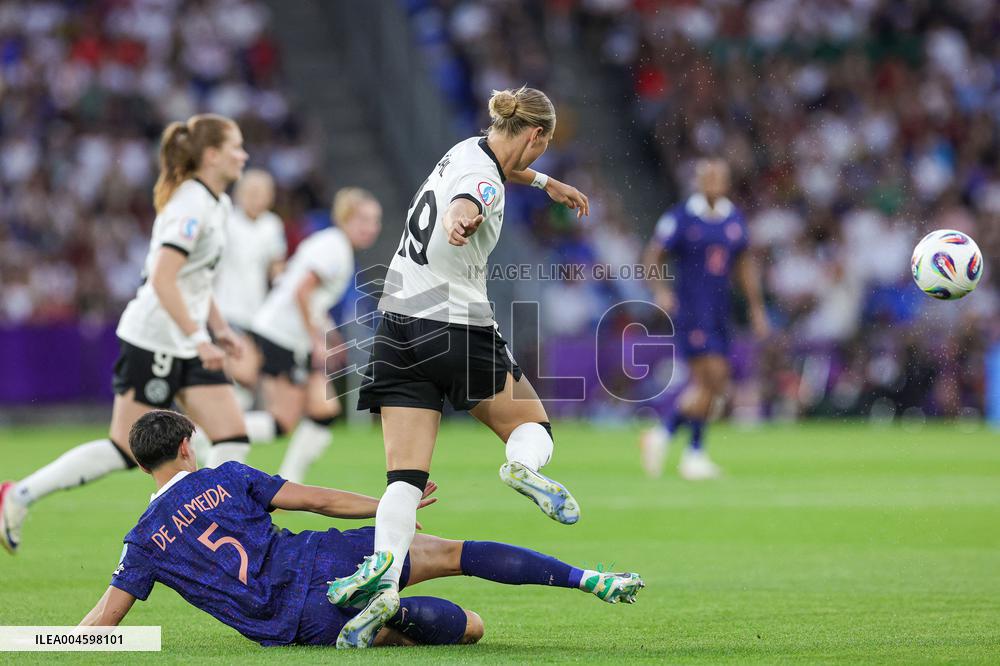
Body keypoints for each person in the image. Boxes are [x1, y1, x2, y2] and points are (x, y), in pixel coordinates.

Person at [326, 86, 592, 647]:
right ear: (537, 135)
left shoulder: (465, 150)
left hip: (396, 323)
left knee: (404, 478)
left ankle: (383, 589)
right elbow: (471, 200)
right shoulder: (484, 182)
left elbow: (493, 176)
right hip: (454, 326)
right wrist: (461, 222)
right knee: (531, 427)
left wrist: (548, 184)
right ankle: (522, 466)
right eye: (544, 149)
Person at [77, 410, 644, 650]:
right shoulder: (225, 476)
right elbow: (318, 500)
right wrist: (391, 505)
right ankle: (584, 578)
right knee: (453, 554)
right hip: (319, 560)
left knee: (469, 628)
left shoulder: (143, 541)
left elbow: (104, 623)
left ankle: (388, 618)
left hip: (295, 626)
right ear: (184, 447)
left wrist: (33, 643)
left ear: (142, 464)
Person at [0, 114, 251, 554]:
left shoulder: (219, 203)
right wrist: (199, 337)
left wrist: (220, 328)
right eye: (236, 147)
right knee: (124, 450)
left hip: (189, 340)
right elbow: (163, 278)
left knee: (232, 437)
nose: (243, 154)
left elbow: (197, 277)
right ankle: (18, 495)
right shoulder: (190, 204)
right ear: (211, 155)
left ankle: (217, 529)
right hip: (155, 339)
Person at [237, 187, 382, 483]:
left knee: (324, 409)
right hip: (282, 336)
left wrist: (328, 335)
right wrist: (317, 339)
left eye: (375, 221)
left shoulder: (332, 244)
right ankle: (213, 431)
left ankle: (289, 480)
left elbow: (308, 295)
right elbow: (302, 291)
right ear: (345, 218)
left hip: (288, 335)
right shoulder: (334, 247)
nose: (371, 228)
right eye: (364, 219)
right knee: (283, 421)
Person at [639, 159, 769, 480]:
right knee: (712, 380)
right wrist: (660, 290)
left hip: (720, 310)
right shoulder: (682, 217)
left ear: (726, 182)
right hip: (693, 311)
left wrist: (755, 306)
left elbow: (743, 264)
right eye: (707, 177)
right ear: (698, 181)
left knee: (714, 384)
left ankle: (666, 437)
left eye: (718, 177)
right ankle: (690, 452)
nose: (712, 182)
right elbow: (653, 255)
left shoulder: (733, 219)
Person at [214, 169, 287, 409]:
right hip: (226, 309)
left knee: (243, 378)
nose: (257, 198)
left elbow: (275, 267)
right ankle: (225, 429)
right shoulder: (226, 221)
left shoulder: (272, 225)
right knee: (243, 373)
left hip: (257, 313)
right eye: (252, 192)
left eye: (263, 193)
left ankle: (220, 430)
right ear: (239, 194)